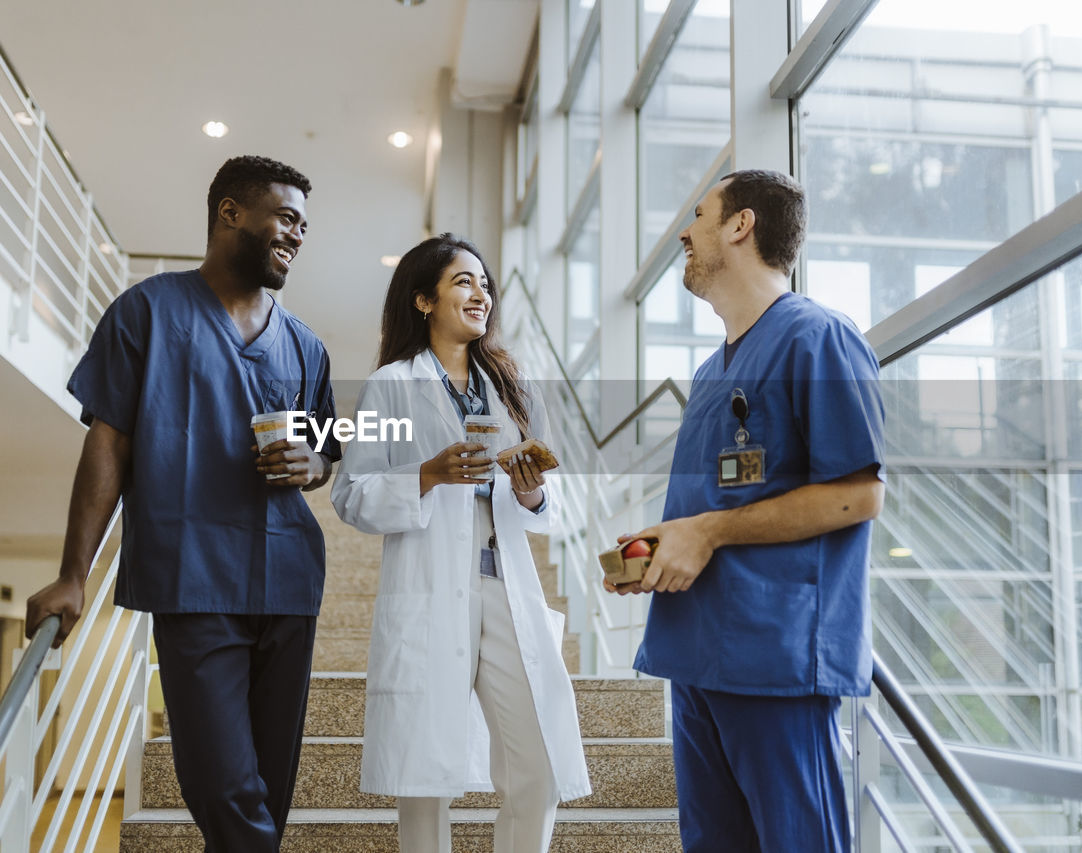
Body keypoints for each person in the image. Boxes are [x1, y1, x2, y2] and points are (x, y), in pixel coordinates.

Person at [24, 155, 339, 852]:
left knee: (266, 792)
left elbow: (325, 456)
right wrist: (74, 572)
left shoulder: (306, 346)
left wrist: (311, 463)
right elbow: (108, 444)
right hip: (191, 577)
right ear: (230, 212)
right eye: (286, 217)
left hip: (288, 582)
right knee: (222, 784)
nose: (297, 235)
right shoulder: (148, 310)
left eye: (304, 226)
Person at [612, 170, 885, 852]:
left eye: (698, 214)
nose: (683, 230)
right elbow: (724, 501)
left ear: (740, 226)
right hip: (696, 656)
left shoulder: (817, 337)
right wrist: (658, 547)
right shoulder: (710, 374)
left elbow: (859, 492)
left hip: (776, 660)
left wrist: (706, 531)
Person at [331, 234, 590, 852]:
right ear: (424, 300)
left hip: (504, 584)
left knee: (540, 768)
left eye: (485, 283)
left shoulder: (512, 386)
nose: (482, 294)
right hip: (429, 585)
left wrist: (530, 492)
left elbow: (541, 504)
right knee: (424, 783)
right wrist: (428, 474)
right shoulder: (392, 384)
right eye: (463, 282)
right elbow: (351, 494)